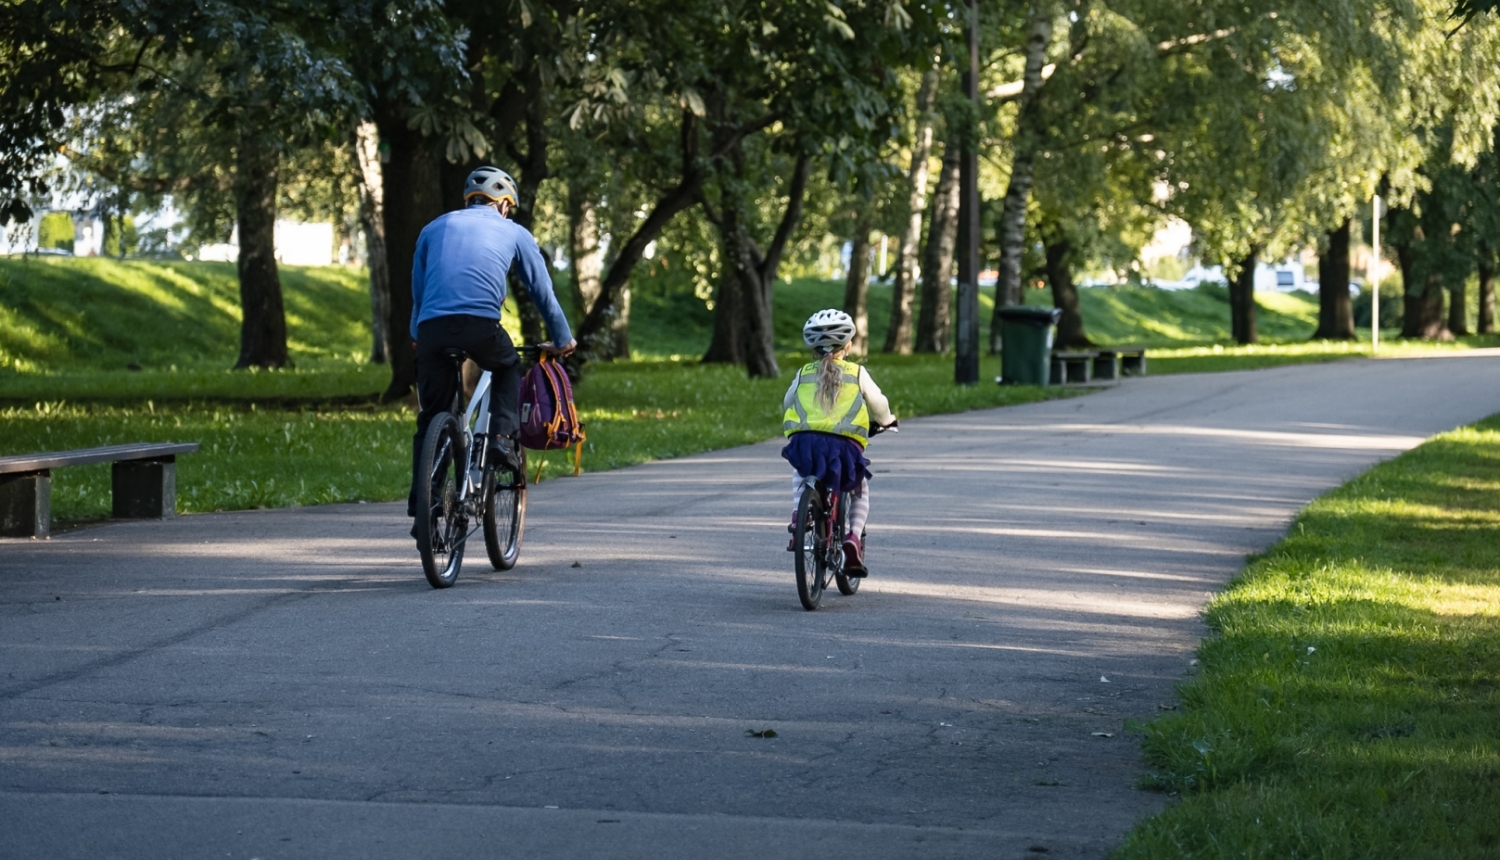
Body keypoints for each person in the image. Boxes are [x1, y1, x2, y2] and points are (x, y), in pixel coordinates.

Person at [408, 166, 575, 526]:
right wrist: (562, 339)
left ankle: (424, 500)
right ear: (503, 204)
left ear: (470, 200)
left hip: (432, 330)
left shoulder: (433, 228)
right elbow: (541, 292)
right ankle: (500, 438)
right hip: (480, 327)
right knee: (506, 364)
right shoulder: (513, 232)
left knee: (431, 417)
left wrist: (417, 335)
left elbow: (418, 293)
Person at [781, 309, 896, 575]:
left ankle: (801, 516)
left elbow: (788, 401)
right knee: (859, 490)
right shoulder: (857, 373)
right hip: (843, 446)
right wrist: (887, 420)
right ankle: (853, 538)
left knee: (802, 473)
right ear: (848, 345)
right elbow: (879, 403)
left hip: (804, 441)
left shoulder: (803, 373)